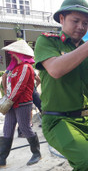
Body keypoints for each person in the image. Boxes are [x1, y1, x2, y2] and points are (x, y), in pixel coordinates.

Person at [34, 0, 88, 170]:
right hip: (59, 120)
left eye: (86, 23)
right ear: (61, 19)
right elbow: (56, 70)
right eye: (76, 21)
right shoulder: (47, 41)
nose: (81, 27)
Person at [0, 39, 41, 167]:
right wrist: (7, 97)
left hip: (23, 102)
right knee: (7, 129)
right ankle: (2, 158)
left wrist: (9, 101)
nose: (11, 55)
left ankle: (36, 153)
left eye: (13, 53)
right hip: (12, 102)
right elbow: (8, 83)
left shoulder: (25, 67)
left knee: (25, 128)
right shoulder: (15, 68)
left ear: (19, 54)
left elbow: (20, 86)